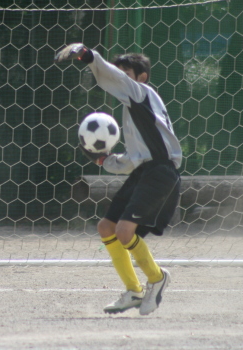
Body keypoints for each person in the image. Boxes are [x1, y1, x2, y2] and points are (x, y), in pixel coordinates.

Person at [55, 44, 182, 316]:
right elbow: (136, 158)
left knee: (125, 232)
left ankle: (158, 278)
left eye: (126, 73)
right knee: (106, 227)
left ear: (141, 77)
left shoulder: (141, 93)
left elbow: (112, 77)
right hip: (145, 171)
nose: (120, 77)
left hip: (160, 172)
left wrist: (88, 55)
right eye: (119, 72)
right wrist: (105, 161)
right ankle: (134, 291)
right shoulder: (135, 110)